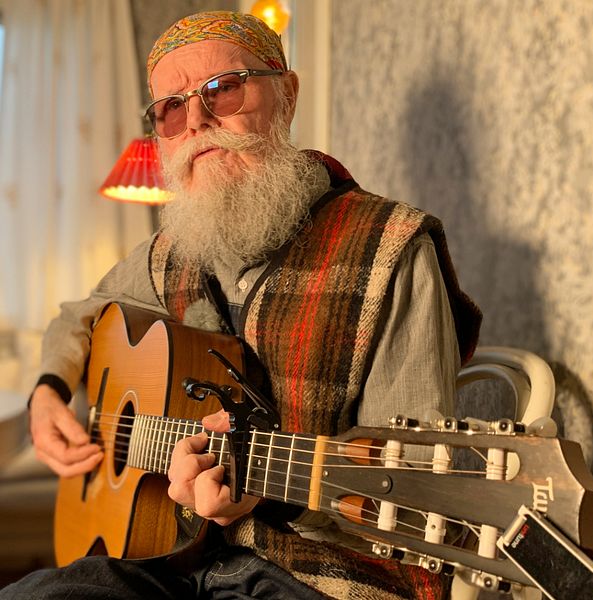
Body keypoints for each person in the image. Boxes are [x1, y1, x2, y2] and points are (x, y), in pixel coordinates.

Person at [2, 11, 481, 600]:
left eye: (224, 88)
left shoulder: (391, 248)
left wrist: (268, 496)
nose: (197, 120)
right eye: (171, 109)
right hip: (178, 556)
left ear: (287, 94)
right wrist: (50, 387)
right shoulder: (169, 254)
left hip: (322, 573)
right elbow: (81, 313)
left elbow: (414, 493)